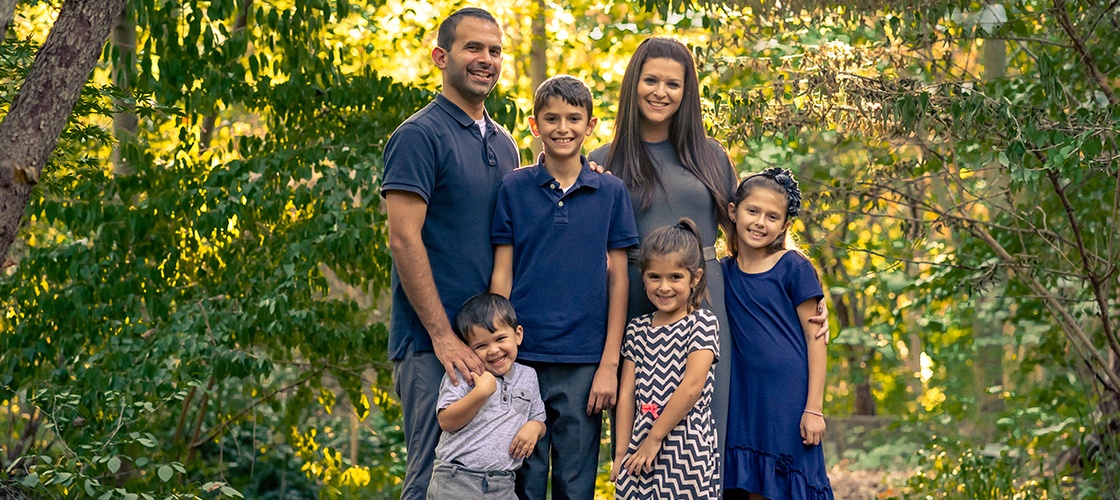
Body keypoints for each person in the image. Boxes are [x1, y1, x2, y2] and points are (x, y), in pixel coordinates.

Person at [587, 36, 829, 466]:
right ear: (633, 85)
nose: (661, 92)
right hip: (636, 301)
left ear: (687, 92)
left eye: (673, 84)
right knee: (641, 428)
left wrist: (792, 292)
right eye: (651, 80)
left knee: (706, 433)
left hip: (707, 303)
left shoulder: (710, 156)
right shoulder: (604, 160)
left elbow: (748, 236)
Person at [380, 8, 520, 499]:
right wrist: (443, 337)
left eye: (495, 50)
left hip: (492, 347)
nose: (486, 60)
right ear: (441, 57)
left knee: (490, 478)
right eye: (473, 48)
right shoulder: (419, 135)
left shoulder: (505, 144)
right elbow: (403, 239)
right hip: (431, 345)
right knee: (433, 479)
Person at [489, 74, 639, 499]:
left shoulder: (610, 191)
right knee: (524, 479)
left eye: (574, 118)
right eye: (551, 118)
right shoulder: (514, 187)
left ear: (591, 126)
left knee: (575, 483)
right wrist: (495, 347)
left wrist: (610, 362)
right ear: (535, 125)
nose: (563, 127)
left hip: (585, 362)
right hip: (524, 359)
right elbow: (503, 273)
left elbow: (619, 279)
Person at [721, 168, 834, 499]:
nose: (760, 222)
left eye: (772, 216)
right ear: (733, 212)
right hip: (742, 399)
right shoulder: (720, 273)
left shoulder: (794, 268)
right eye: (752, 211)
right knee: (753, 484)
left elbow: (817, 340)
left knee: (786, 484)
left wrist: (814, 408)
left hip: (788, 400)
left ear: (785, 225)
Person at [611, 218, 721, 499]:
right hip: (639, 446)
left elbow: (692, 386)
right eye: (654, 277)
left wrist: (655, 439)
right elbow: (626, 395)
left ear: (694, 278)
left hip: (686, 448)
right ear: (643, 276)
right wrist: (622, 452)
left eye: (675, 277)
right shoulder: (637, 328)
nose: (664, 287)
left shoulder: (702, 323)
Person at [428, 293, 547, 500]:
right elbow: (446, 421)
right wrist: (480, 393)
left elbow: (539, 418)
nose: (493, 350)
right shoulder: (465, 374)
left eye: (500, 338)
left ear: (518, 335)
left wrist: (535, 428)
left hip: (503, 484)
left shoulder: (528, 376)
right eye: (481, 346)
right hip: (457, 481)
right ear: (468, 349)